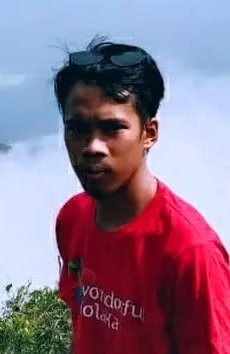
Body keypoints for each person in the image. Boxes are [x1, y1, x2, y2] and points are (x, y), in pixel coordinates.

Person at [53, 35, 230, 353]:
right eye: (77, 128)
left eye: (112, 128)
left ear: (149, 133)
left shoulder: (190, 253)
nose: (92, 147)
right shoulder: (73, 218)